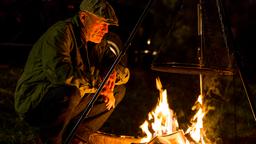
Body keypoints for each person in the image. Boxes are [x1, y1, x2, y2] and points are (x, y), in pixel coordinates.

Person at [14, 0, 130, 143]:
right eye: (102, 23)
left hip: (73, 100)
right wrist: (100, 83)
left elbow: (122, 70)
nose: (106, 30)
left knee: (119, 91)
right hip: (38, 100)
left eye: (108, 26)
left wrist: (111, 74)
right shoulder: (61, 33)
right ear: (83, 18)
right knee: (71, 92)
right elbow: (60, 74)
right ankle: (49, 139)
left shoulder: (99, 43)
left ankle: (77, 138)